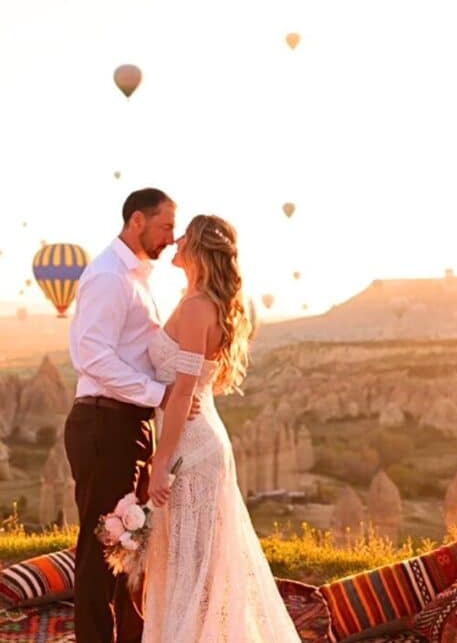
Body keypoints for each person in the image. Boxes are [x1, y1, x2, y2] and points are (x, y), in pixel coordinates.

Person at [142, 214, 302, 642]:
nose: (174, 240)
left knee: (192, 571)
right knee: (194, 568)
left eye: (184, 236)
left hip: (192, 449)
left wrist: (161, 463)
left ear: (197, 249)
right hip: (197, 440)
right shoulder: (196, 301)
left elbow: (181, 394)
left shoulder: (197, 308)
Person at [65, 188, 197, 643]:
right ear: (137, 221)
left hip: (129, 424)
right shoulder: (108, 276)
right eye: (165, 226)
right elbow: (93, 358)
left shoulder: (139, 277)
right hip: (104, 424)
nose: (171, 237)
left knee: (131, 542)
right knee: (102, 545)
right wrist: (159, 395)